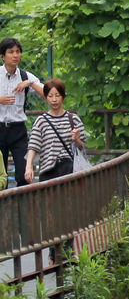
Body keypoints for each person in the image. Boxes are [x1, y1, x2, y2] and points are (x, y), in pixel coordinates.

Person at [0, 37, 44, 188]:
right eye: (11, 52)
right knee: (1, 177)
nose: (15, 55)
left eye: (18, 52)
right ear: (2, 56)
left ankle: (23, 210)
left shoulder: (25, 76)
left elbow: (48, 93)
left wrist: (30, 83)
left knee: (24, 174)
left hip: (18, 130)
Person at [24, 79, 86, 183]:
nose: (54, 100)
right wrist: (29, 166)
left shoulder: (73, 119)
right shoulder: (41, 121)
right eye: (50, 96)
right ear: (46, 98)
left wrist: (77, 140)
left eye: (57, 95)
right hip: (48, 170)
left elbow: (83, 147)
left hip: (70, 169)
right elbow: (33, 146)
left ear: (63, 97)